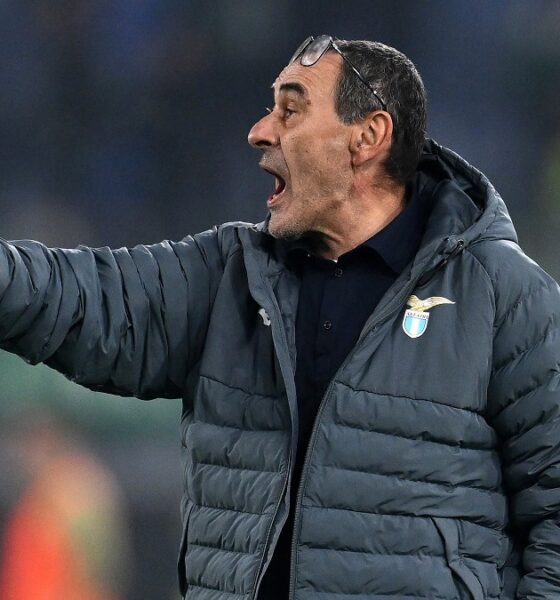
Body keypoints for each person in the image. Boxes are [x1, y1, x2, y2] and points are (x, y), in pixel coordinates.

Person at [1, 34, 559, 600]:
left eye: (290, 110)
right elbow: (80, 296)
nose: (260, 131)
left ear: (368, 137)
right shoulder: (228, 277)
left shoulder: (504, 296)